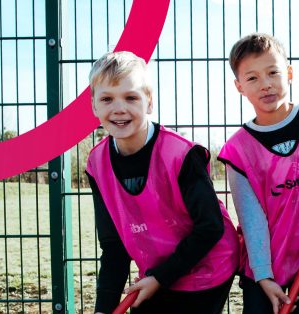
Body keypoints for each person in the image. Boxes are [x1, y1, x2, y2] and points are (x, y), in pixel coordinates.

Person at [86, 51, 239, 314]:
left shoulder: (181, 154)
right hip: (159, 270)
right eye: (107, 99)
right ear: (94, 106)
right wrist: (103, 309)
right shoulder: (96, 163)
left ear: (149, 102)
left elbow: (211, 227)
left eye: (131, 97)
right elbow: (113, 246)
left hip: (206, 265)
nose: (119, 108)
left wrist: (160, 277)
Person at [219, 33, 299, 314]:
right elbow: (250, 217)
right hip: (261, 266)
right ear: (239, 86)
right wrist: (263, 274)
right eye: (252, 78)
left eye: (273, 72)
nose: (266, 84)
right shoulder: (237, 148)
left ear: (289, 72)